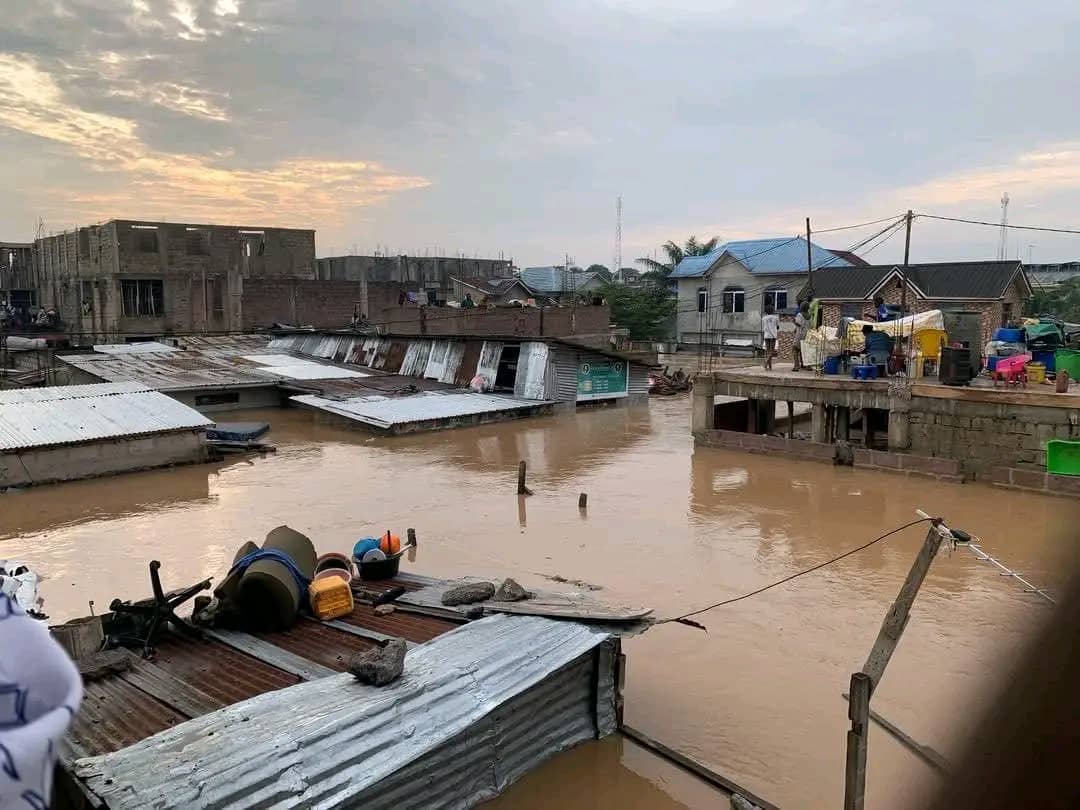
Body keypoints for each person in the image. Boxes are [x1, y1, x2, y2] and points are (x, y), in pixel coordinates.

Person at [761, 302, 779, 370]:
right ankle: (766, 362)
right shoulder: (776, 318)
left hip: (766, 335)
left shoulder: (763, 318)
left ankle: (770, 367)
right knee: (771, 351)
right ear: (773, 310)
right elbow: (777, 327)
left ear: (766, 311)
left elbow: (763, 327)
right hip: (773, 336)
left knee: (768, 351)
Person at [792, 301, 809, 371]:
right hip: (806, 334)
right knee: (803, 349)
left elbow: (799, 324)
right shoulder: (809, 316)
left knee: (795, 349)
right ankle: (804, 364)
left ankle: (796, 366)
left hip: (799, 334)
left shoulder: (799, 315)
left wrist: (794, 321)